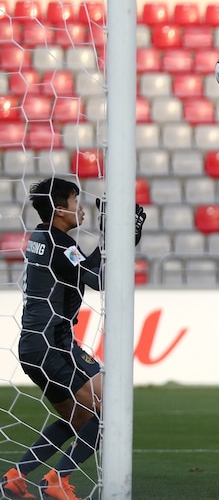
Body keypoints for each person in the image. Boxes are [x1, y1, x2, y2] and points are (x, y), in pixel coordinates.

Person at [1, 179, 145, 500]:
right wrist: (120, 239)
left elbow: (87, 269)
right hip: (54, 345)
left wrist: (112, 238)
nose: (81, 208)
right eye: (75, 200)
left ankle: (15, 476)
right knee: (106, 409)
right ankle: (57, 480)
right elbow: (99, 279)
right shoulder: (57, 243)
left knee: (77, 416)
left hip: (37, 345)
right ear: (58, 208)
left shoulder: (47, 239)